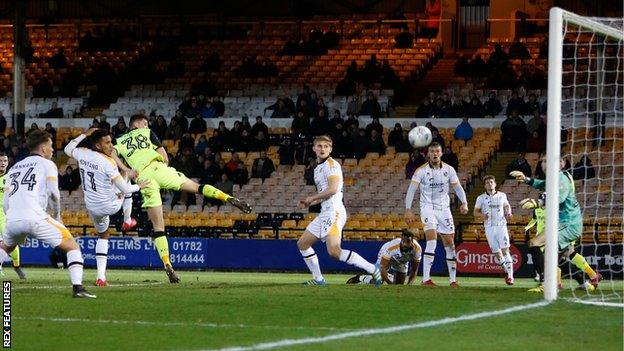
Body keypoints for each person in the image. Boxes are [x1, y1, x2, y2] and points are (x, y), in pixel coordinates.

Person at [112, 115, 252, 283]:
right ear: (140, 124)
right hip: (159, 169)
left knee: (158, 228)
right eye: (146, 123)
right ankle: (228, 197)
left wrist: (126, 169)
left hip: (143, 178)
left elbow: (111, 153)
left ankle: (167, 264)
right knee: (196, 187)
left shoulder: (119, 141)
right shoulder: (147, 132)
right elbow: (164, 157)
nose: (147, 125)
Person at [0, 131, 95, 298]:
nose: (52, 150)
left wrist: (16, 222)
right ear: (43, 148)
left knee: (4, 248)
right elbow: (54, 194)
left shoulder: (14, 168)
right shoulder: (47, 164)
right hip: (35, 216)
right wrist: (57, 214)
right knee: (72, 247)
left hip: (13, 219)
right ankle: (78, 288)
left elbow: (6, 201)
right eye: (51, 147)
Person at [64, 128, 147, 286]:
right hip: (111, 205)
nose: (111, 146)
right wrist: (140, 186)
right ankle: (128, 220)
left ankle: (101, 277)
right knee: (127, 177)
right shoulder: (108, 162)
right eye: (107, 143)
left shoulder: (83, 153)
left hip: (92, 207)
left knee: (103, 235)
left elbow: (68, 148)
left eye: (111, 142)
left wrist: (84, 134)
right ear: (97, 145)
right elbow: (126, 190)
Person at [297, 135, 382, 286]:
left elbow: (333, 189)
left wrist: (311, 198)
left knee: (334, 251)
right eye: (319, 146)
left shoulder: (332, 165)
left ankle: (372, 268)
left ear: (330, 149)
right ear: (314, 148)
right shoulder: (317, 169)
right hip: (325, 212)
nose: (322, 149)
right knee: (303, 243)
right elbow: (325, 192)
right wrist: (312, 201)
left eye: (326, 146)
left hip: (334, 211)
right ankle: (318, 279)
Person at [510, 155, 602, 292]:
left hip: (568, 223)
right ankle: (589, 278)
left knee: (537, 245)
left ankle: (548, 283)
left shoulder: (562, 179)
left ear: (562, 163)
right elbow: (541, 184)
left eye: (550, 160)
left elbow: (558, 197)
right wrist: (526, 179)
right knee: (565, 255)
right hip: (565, 222)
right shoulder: (554, 178)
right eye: (544, 161)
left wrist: (537, 203)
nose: (545, 164)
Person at [404, 142, 468, 286]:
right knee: (431, 239)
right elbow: (411, 190)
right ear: (428, 154)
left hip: (444, 209)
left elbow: (457, 187)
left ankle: (452, 280)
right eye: (432, 151)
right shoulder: (421, 170)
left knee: (450, 244)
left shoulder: (449, 170)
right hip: (427, 208)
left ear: (441, 153)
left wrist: (464, 202)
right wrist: (408, 209)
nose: (434, 153)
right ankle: (426, 279)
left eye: (437, 151)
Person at [473, 175, 514, 285]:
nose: (489, 184)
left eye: (491, 182)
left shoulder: (502, 195)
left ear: (495, 184)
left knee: (505, 250)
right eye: (487, 183)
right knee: (496, 252)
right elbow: (475, 212)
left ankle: (510, 276)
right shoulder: (481, 198)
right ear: (484, 186)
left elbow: (507, 205)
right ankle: (506, 269)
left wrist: (508, 212)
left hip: (501, 226)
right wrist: (482, 215)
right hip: (489, 227)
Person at [347, 230, 421, 285]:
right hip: (388, 255)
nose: (405, 244)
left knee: (399, 285)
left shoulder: (417, 249)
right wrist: (390, 284)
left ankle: (390, 277)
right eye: (403, 241)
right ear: (401, 240)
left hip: (402, 261)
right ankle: (361, 278)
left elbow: (414, 270)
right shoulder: (391, 248)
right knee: (379, 280)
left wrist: (409, 285)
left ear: (412, 241)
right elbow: (383, 268)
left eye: (408, 241)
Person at [0, 152, 26, 279]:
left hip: (5, 214)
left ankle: (17, 266)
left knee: (10, 241)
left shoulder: (11, 177)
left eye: (5, 161)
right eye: (0, 161)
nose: (3, 163)